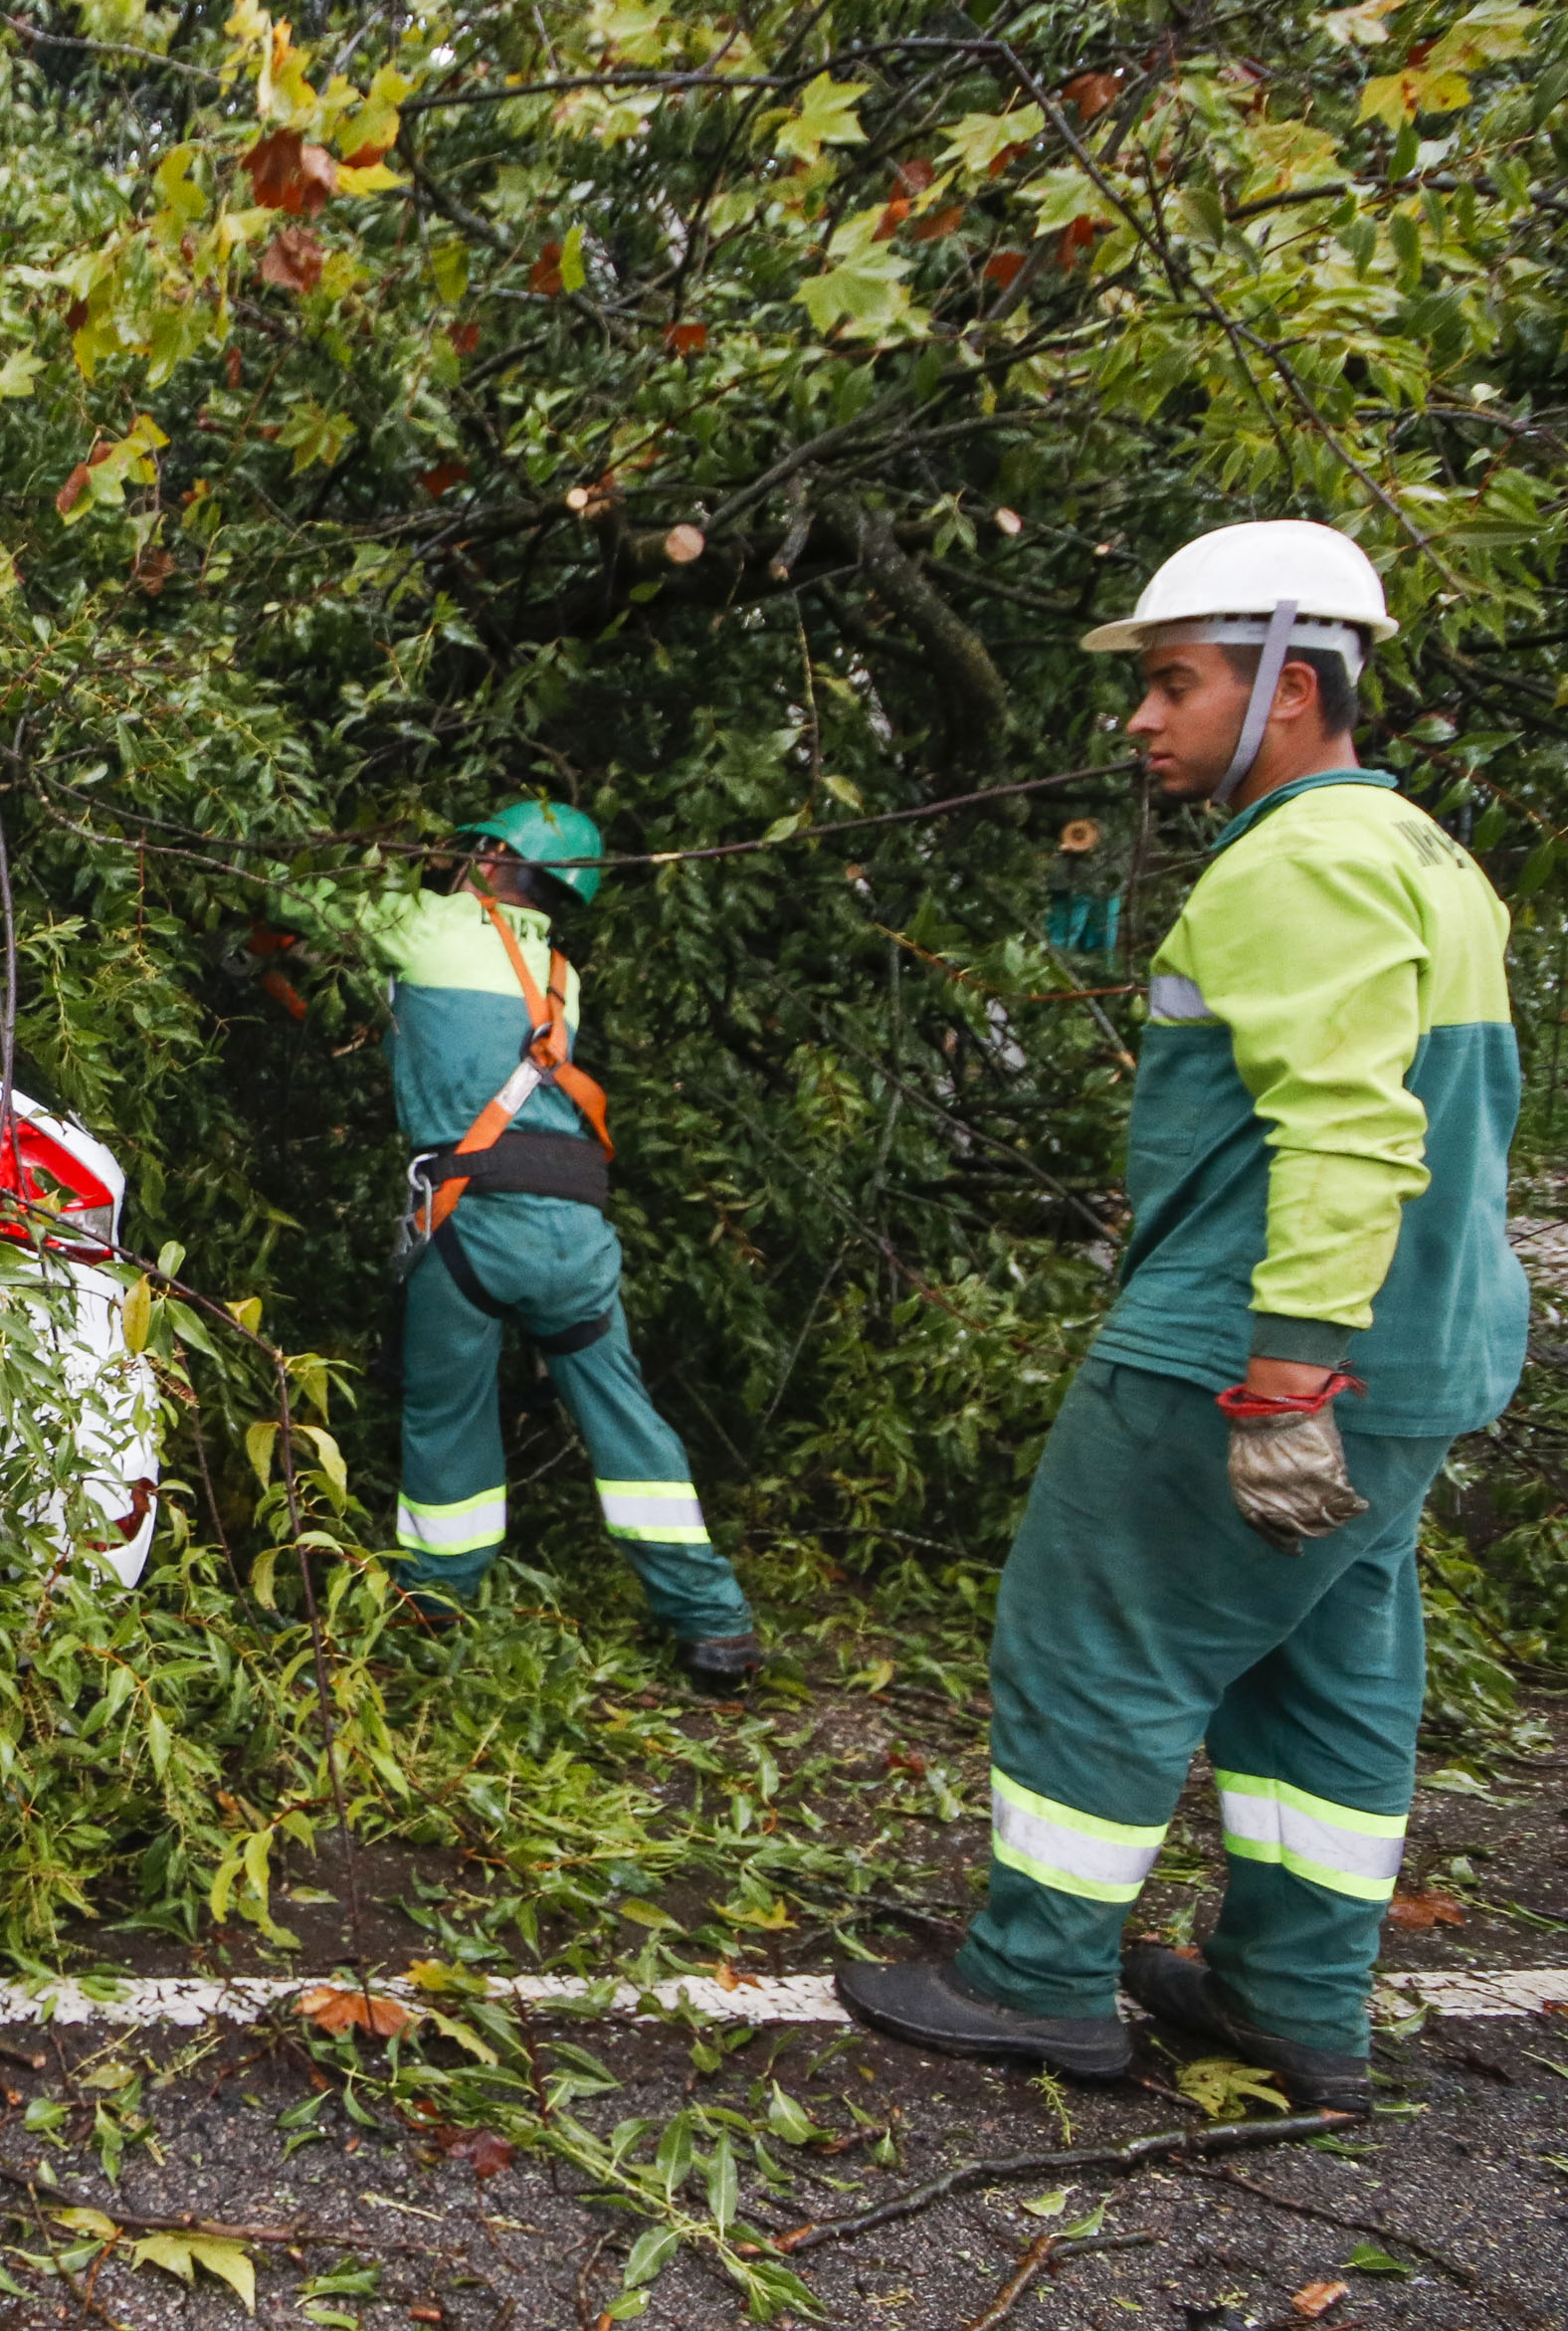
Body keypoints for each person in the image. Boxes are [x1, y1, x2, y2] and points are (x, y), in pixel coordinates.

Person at [842, 520, 1521, 2113]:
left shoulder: (1298, 857)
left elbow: (1349, 1128)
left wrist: (1283, 1370)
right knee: (1324, 1677)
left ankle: (1037, 1973)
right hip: (1425, 1356)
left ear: (1290, 683)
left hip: (1249, 1352)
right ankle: (1289, 1996)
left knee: (1099, 1636)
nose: (1142, 720)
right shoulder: (1430, 852)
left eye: (1171, 681)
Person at [297, 802, 769, 1688]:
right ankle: (717, 1628)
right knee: (628, 1424)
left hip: (472, 1220)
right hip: (577, 1230)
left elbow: (296, 896)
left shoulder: (429, 925)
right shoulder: (562, 975)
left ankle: (435, 1601)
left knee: (446, 1417)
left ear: (493, 855)